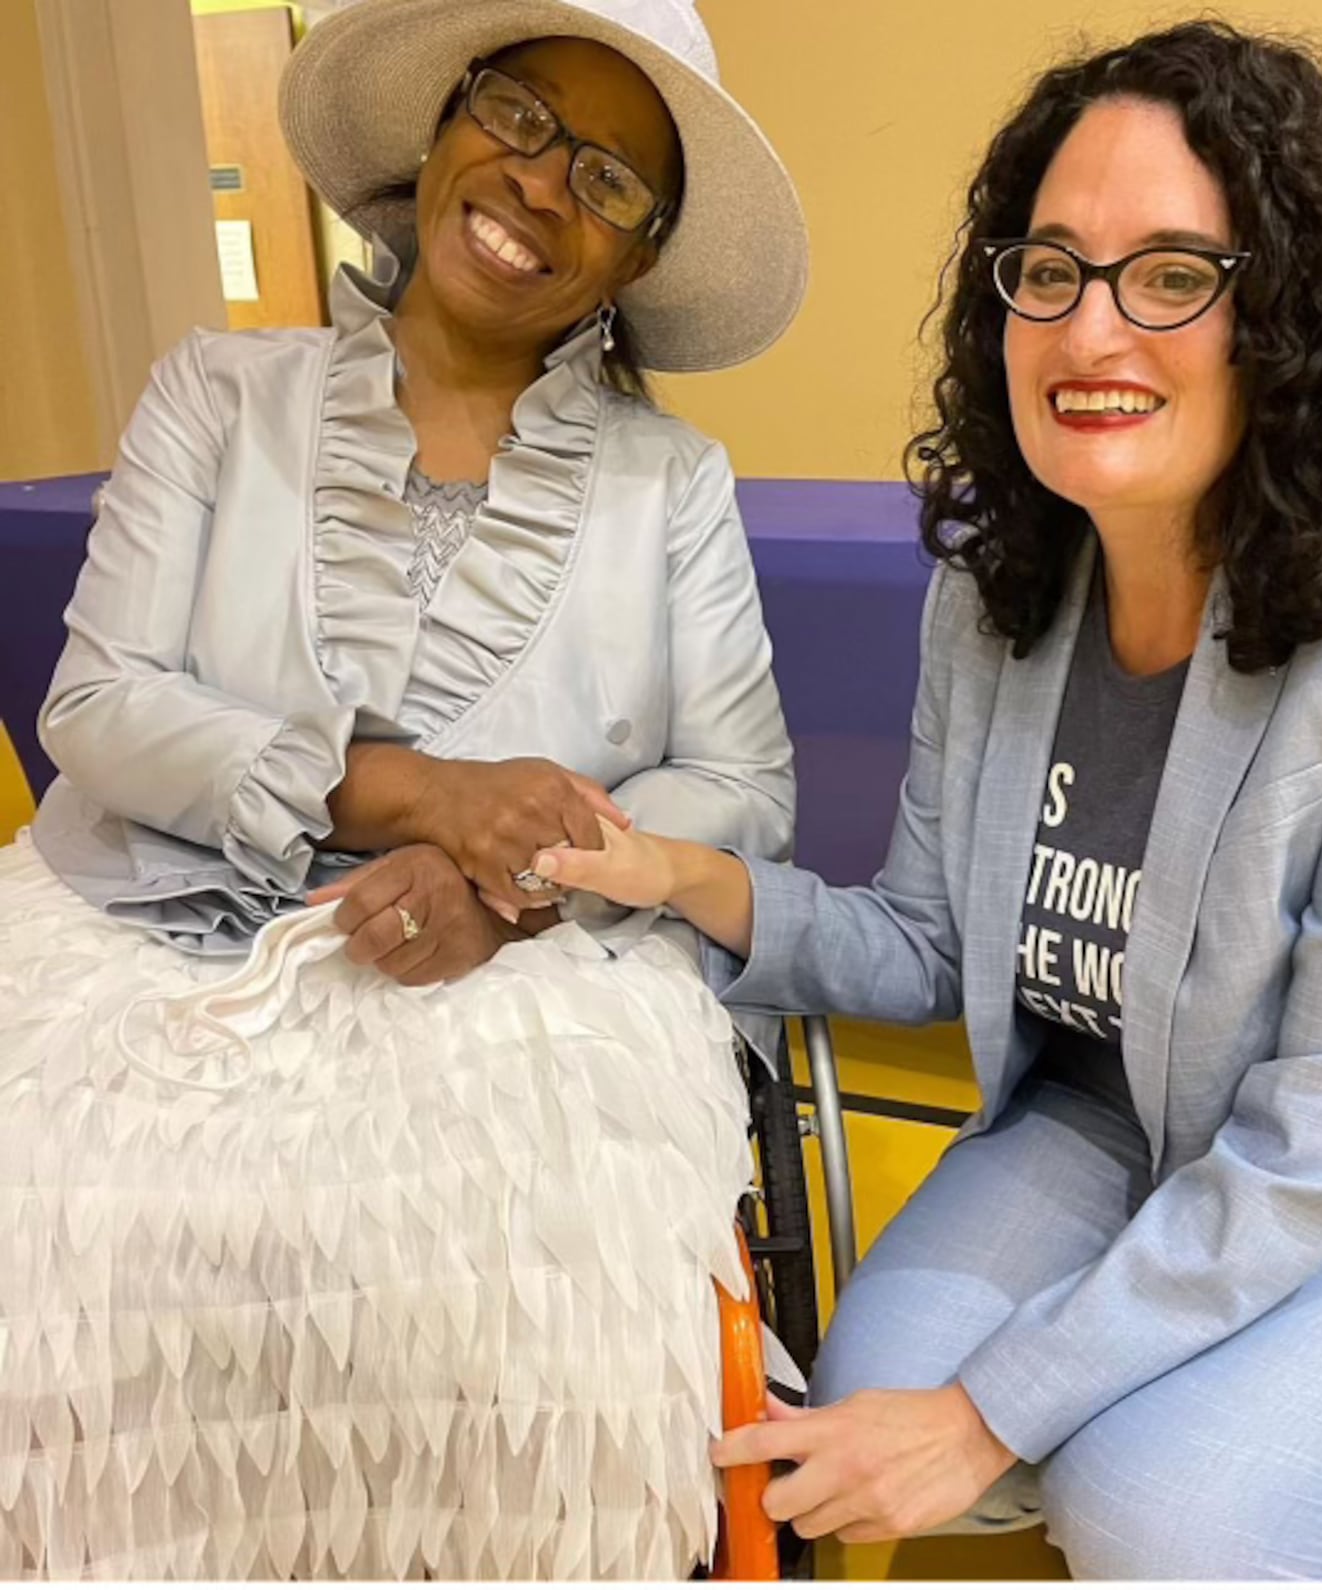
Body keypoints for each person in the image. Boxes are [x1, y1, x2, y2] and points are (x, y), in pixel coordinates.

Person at [531, 20, 1322, 1580]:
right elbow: (927, 940)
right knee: (868, 1419)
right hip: (1127, 1133)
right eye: (1050, 269)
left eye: (1173, 275)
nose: (1091, 330)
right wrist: (678, 875)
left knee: (1147, 1509)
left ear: (1291, 316)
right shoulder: (999, 593)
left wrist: (990, 1409)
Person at [0, 0, 806, 1577]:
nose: (540, 184)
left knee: (540, 1298)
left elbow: (740, 786)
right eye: (514, 115)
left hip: (525, 965)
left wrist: (516, 886)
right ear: (437, 129)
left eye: (612, 178)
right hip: (137, 934)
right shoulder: (215, 395)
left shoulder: (671, 485)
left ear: (636, 261)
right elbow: (93, 709)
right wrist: (421, 794)